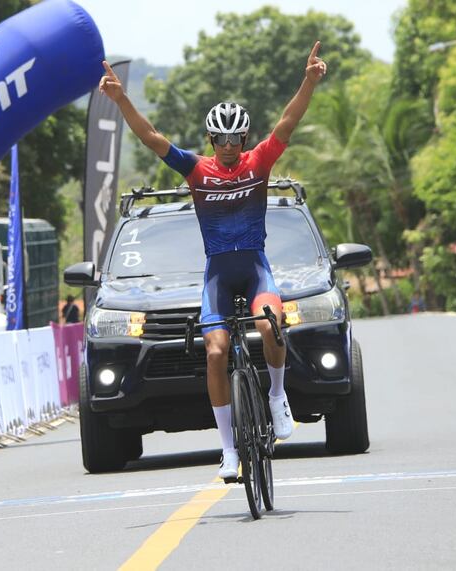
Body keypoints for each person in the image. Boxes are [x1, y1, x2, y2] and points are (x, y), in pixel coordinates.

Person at [99, 42, 327, 480]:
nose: (227, 145)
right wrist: (122, 99)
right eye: (220, 139)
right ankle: (228, 449)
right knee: (216, 350)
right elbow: (151, 139)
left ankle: (278, 397)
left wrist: (309, 81)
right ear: (210, 140)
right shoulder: (195, 170)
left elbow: (288, 121)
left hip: (256, 268)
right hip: (218, 274)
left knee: (269, 324)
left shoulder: (258, 162)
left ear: (244, 138)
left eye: (235, 138)